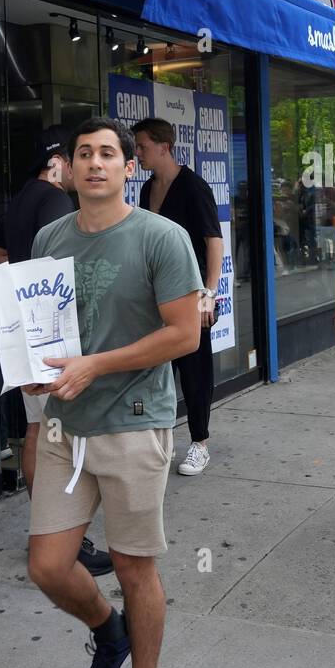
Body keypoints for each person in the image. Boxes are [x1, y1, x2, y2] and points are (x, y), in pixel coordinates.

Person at [24, 118, 204, 668]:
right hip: (63, 424)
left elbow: (183, 336)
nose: (95, 163)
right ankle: (109, 634)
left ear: (131, 168)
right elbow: (45, 331)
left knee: (133, 567)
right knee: (49, 567)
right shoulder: (50, 238)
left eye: (108, 154)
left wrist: (95, 365)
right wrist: (34, 368)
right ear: (68, 168)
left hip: (133, 419)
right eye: (84, 154)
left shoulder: (162, 237)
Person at [0, 127, 112, 578]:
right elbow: (71, 268)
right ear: (58, 162)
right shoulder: (58, 203)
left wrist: (18, 289)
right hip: (54, 337)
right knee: (63, 437)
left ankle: (44, 533)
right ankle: (67, 540)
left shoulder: (21, 198)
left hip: (25, 332)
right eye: (75, 158)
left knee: (38, 431)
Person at [132, 117, 224, 478]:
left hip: (190, 293)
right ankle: (159, 440)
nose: (137, 153)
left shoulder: (193, 187)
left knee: (195, 370)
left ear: (164, 146)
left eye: (142, 146)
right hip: (153, 295)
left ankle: (199, 443)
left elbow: (213, 241)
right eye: (136, 147)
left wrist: (209, 294)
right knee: (154, 369)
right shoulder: (145, 190)